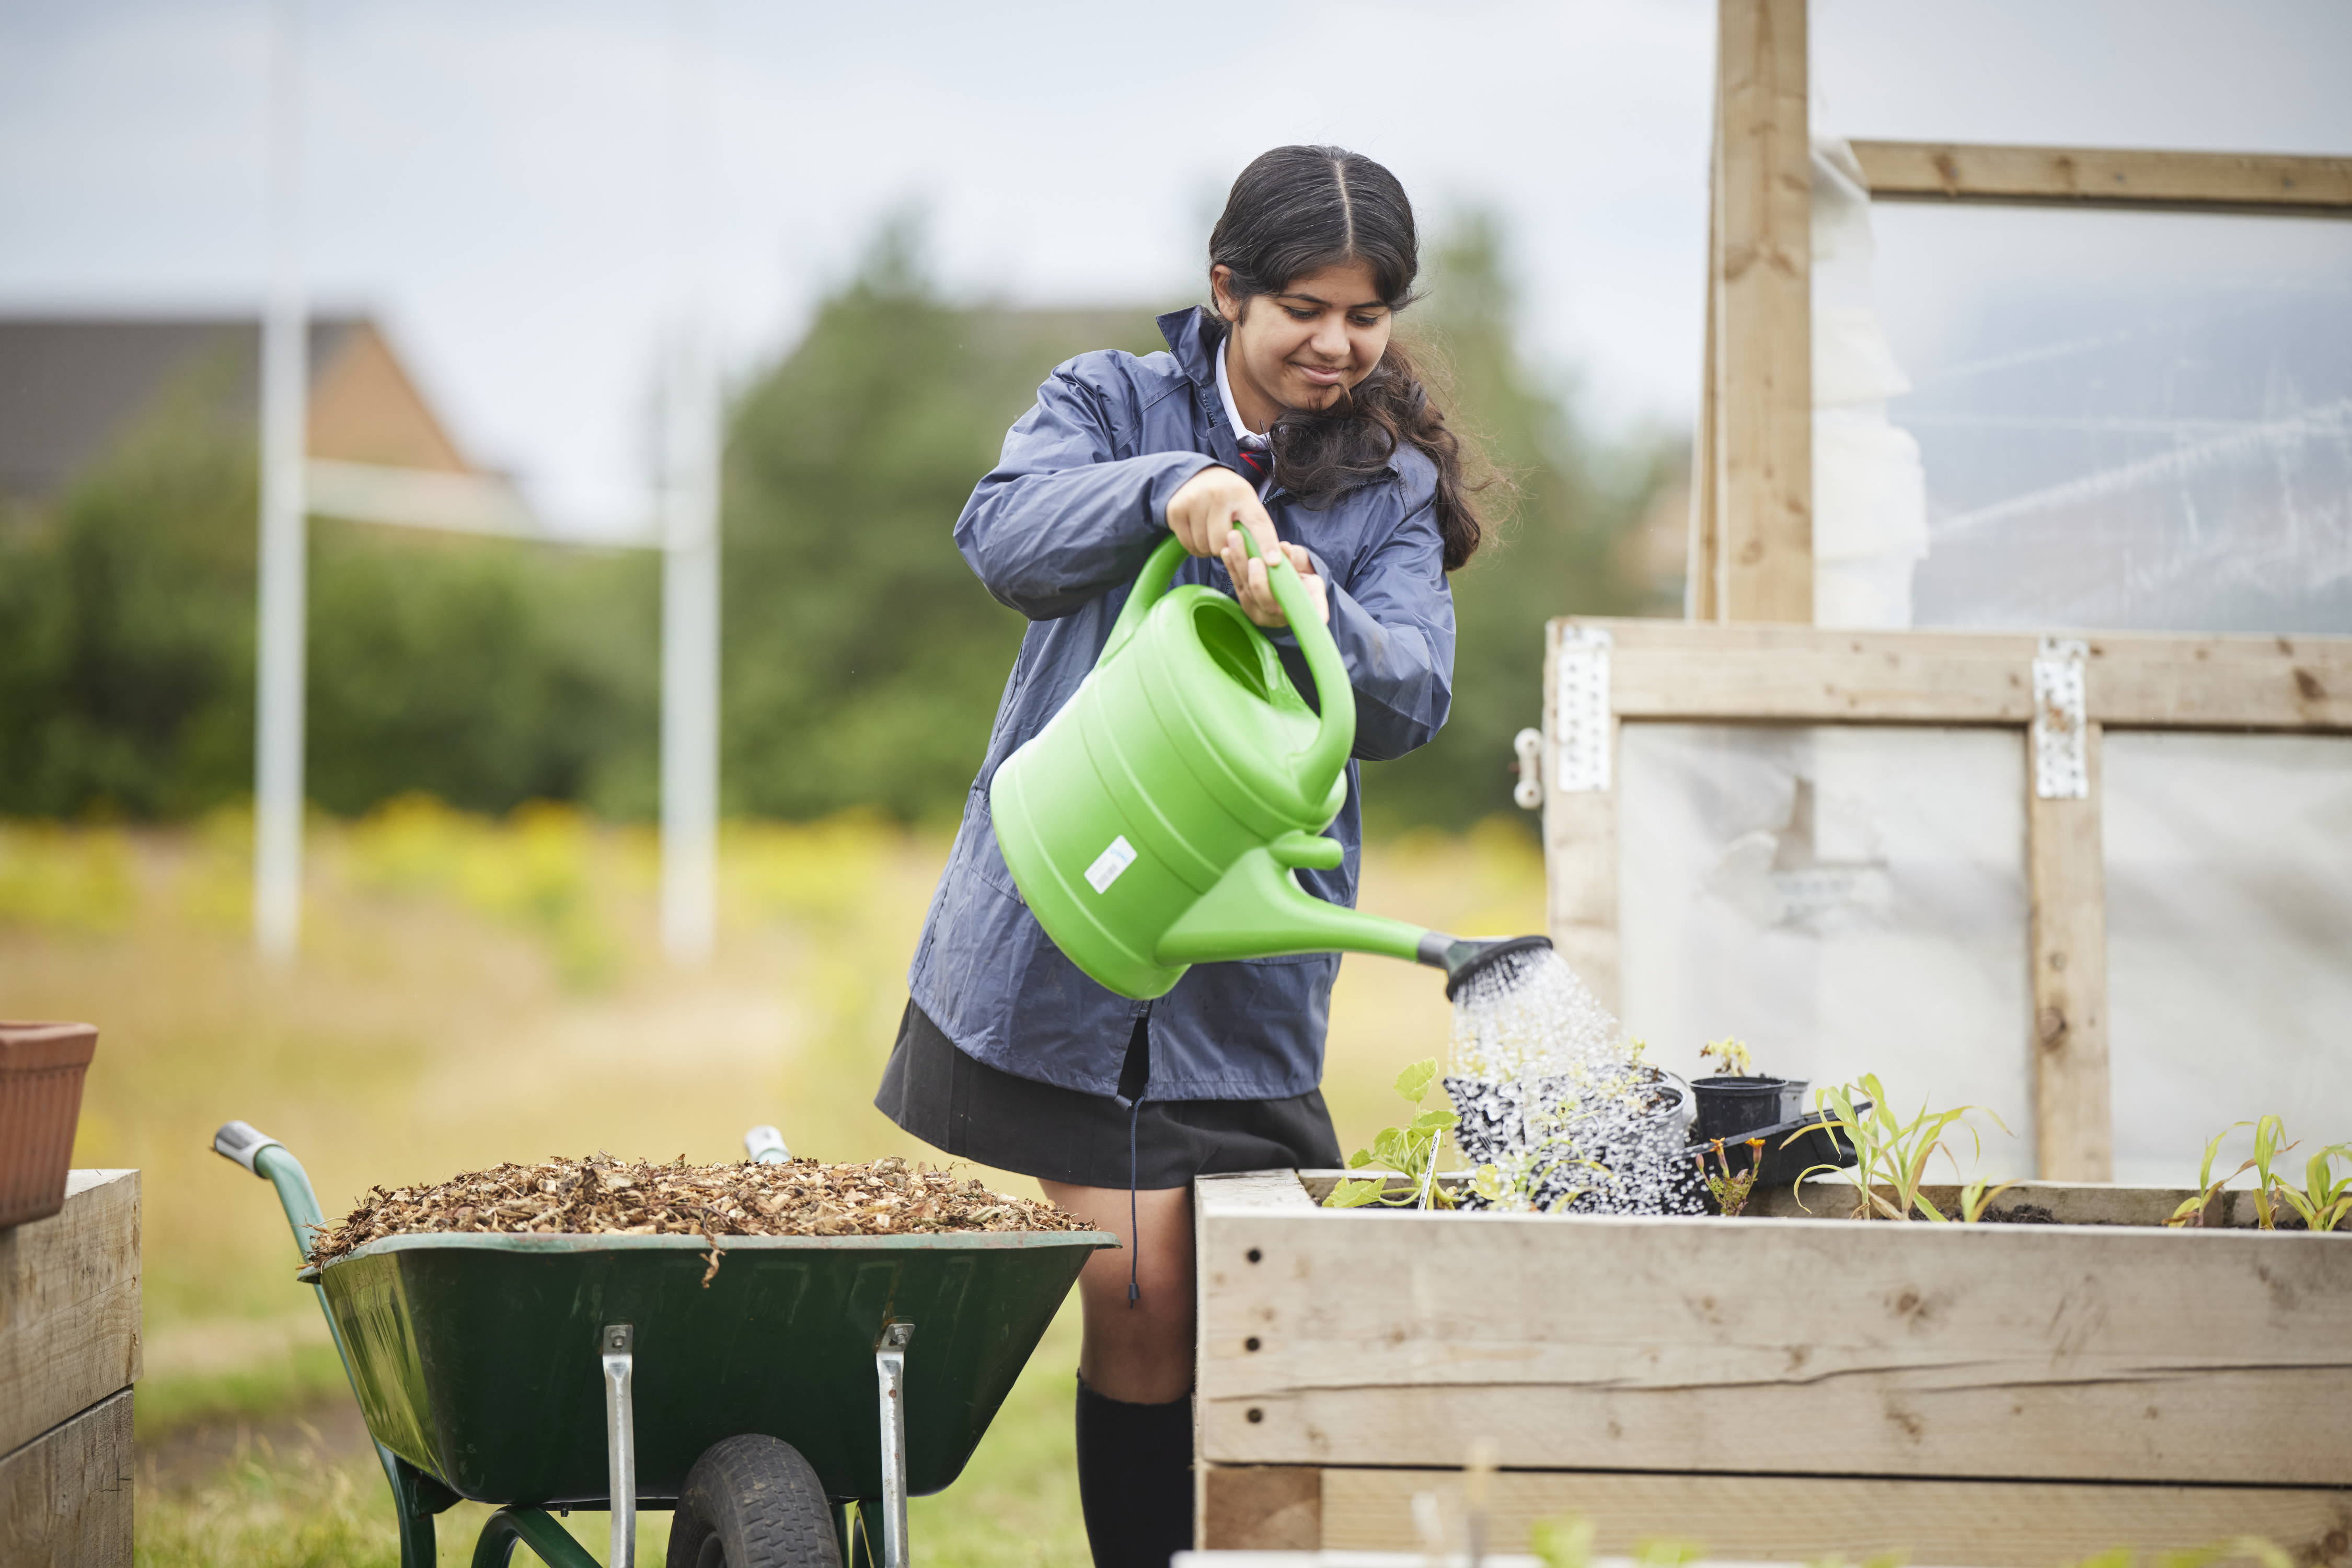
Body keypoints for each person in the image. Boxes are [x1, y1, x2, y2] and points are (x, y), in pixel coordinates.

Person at [874, 144, 1495, 1568]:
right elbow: (1004, 540)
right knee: (1143, 1285)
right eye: (1301, 307)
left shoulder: (1383, 486)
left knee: (1258, 1303)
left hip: (1241, 963)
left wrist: (1299, 595)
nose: (1336, 344)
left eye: (1367, 314)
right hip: (1064, 925)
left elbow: (1406, 701)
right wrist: (1170, 490)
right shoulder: (1109, 402)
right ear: (1225, 292)